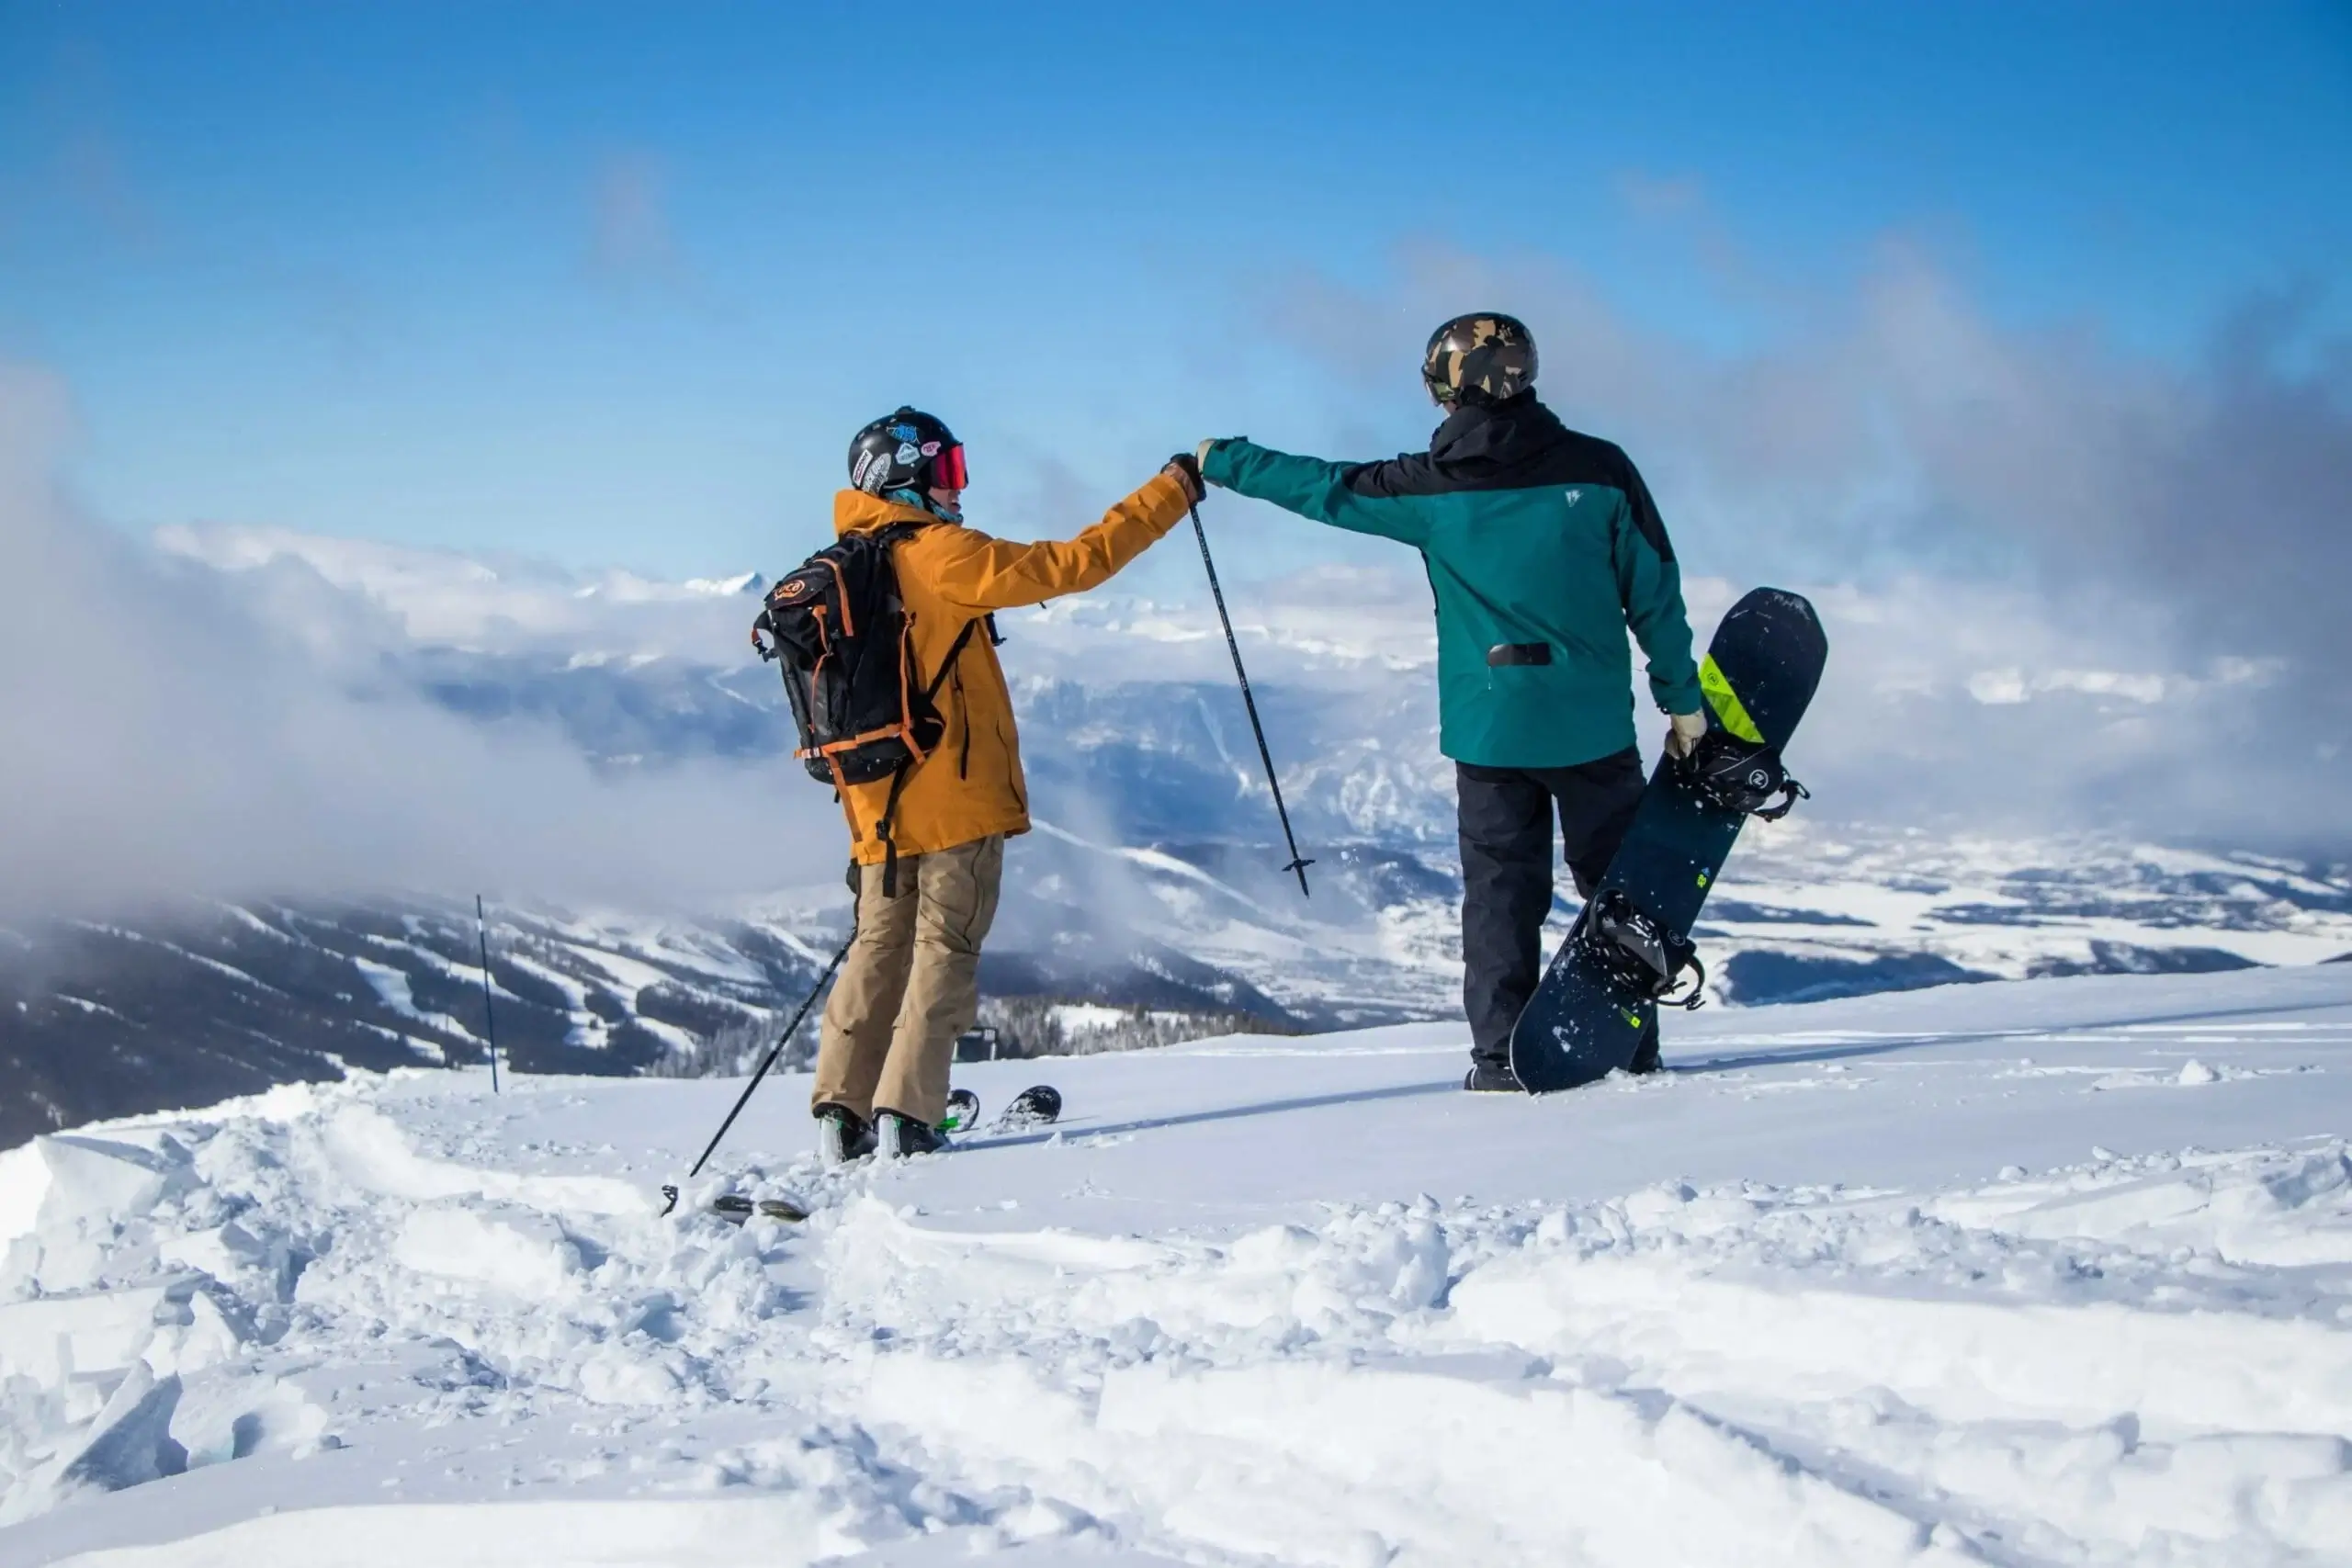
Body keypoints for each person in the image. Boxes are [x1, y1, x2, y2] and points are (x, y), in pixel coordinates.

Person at [1195, 315, 1704, 1091]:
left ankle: (1502, 1056)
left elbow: (1319, 486)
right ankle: (1632, 1047)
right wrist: (1683, 704)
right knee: (1618, 888)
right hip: (1594, 729)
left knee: (1500, 896)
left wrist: (1218, 460)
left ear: (1450, 385)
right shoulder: (1602, 472)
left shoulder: (1426, 487)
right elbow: (1655, 594)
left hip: (1490, 732)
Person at [812, 408, 1204, 1159]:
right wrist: (1171, 492)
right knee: (942, 952)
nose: (961, 488)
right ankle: (909, 1115)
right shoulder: (941, 555)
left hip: (873, 809)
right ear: (909, 477)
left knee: (876, 948)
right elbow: (1075, 562)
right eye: (949, 471)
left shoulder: (845, 564)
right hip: (954, 801)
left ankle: (842, 1111)